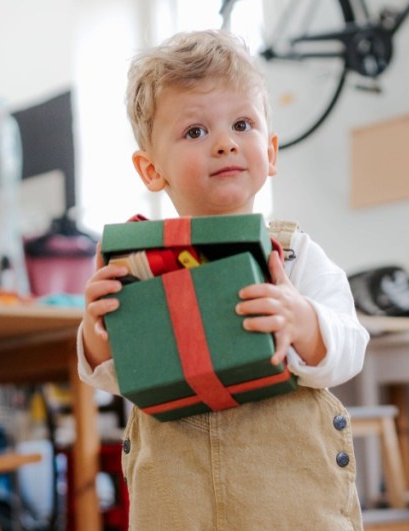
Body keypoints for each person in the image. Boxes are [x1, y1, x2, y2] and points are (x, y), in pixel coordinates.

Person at [78, 29, 369, 530]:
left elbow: (350, 346)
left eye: (242, 123)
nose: (225, 143)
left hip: (291, 499)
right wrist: (96, 333)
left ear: (270, 151)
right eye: (195, 132)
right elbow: (109, 374)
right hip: (176, 499)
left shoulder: (295, 256)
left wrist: (304, 321)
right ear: (151, 170)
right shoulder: (137, 264)